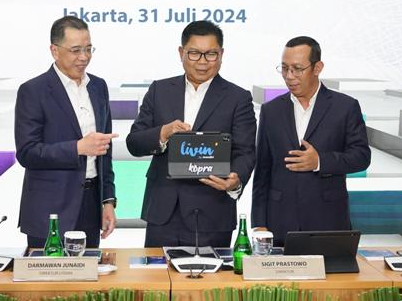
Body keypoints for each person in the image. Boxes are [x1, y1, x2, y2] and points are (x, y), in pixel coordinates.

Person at [126, 20, 256, 247]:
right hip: (163, 213)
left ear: (221, 54)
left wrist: (235, 180)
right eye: (194, 53)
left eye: (211, 54)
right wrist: (163, 133)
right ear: (181, 53)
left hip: (212, 212)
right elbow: (134, 143)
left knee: (212, 272)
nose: (203, 62)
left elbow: (245, 152)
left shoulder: (238, 98)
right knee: (158, 270)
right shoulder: (159, 91)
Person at [251, 36, 371, 246]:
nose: (289, 76)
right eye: (284, 68)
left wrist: (319, 161)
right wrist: (259, 223)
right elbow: (262, 171)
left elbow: (361, 157)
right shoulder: (271, 110)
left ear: (317, 68)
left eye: (297, 69)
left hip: (328, 221)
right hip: (279, 222)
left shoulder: (345, 107)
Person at [15, 16, 118, 248]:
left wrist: (108, 201)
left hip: (91, 205)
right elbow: (27, 152)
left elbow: (105, 152)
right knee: (49, 272)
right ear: (54, 50)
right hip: (50, 209)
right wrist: (77, 148)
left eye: (88, 49)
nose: (84, 57)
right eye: (75, 50)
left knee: (89, 269)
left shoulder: (98, 87)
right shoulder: (33, 91)